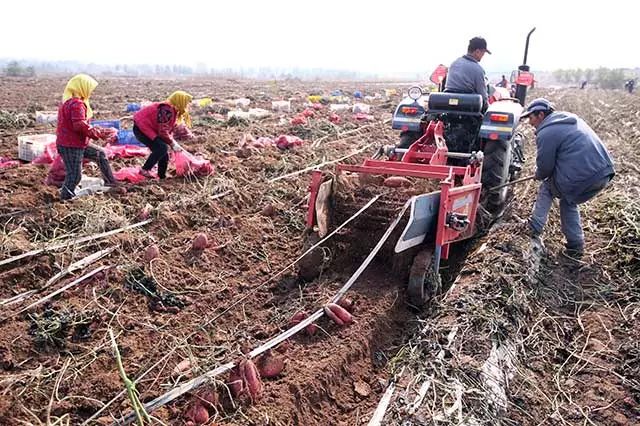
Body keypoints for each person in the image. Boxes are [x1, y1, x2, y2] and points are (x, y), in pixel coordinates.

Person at [522, 98, 615, 259]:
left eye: (531, 118)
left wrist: (539, 174)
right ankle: (575, 246)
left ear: (541, 114)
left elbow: (545, 168)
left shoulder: (546, 132)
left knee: (547, 187)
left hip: (585, 175)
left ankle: (534, 227)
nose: (530, 123)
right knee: (568, 200)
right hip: (603, 172)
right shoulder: (567, 119)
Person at [55, 74, 117, 200]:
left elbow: (80, 124)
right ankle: (65, 199)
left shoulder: (69, 102)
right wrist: (98, 133)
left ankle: (111, 182)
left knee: (100, 154)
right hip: (71, 145)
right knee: (74, 175)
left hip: (76, 142)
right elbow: (79, 125)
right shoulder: (77, 104)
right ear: (82, 87)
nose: (91, 92)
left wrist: (97, 131)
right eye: (90, 88)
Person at [133, 90, 193, 179]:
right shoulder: (166, 110)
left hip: (147, 128)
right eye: (186, 103)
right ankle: (145, 169)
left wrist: (172, 142)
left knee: (163, 151)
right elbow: (163, 131)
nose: (187, 106)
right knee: (162, 148)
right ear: (180, 101)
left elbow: (166, 128)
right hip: (141, 129)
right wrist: (172, 143)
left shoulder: (171, 110)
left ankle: (162, 175)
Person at [444, 36, 491, 109]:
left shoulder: (454, 63)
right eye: (483, 53)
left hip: (448, 105)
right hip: (468, 109)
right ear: (477, 51)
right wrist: (488, 107)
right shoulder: (478, 69)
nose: (483, 56)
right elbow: (483, 96)